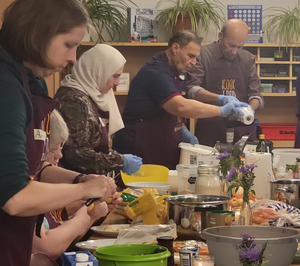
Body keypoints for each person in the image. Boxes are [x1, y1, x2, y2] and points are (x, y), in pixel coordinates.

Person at [0, 0, 117, 266]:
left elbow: (34, 169)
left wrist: (80, 181)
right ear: (39, 32)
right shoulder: (5, 88)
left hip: (14, 248)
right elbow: (15, 196)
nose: (72, 58)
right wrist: (89, 190)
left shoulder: (30, 80)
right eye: (69, 44)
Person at [113, 31, 247, 169]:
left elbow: (170, 109)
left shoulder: (177, 71)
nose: (194, 62)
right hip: (140, 147)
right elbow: (180, 107)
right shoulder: (156, 72)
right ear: (175, 48)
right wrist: (221, 110)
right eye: (191, 56)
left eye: (196, 58)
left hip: (161, 145)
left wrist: (182, 129)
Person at [55, 44, 142, 176]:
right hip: (75, 184)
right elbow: (75, 155)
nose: (118, 82)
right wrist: (119, 161)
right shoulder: (73, 100)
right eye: (115, 76)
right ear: (97, 71)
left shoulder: (91, 94)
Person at [33, 110, 108, 261]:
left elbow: (62, 230)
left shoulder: (37, 178)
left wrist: (91, 211)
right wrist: (86, 215)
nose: (59, 156)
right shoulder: (24, 189)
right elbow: (46, 247)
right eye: (53, 150)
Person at [186, 19, 263, 146]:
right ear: (220, 36)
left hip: (242, 128)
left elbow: (256, 94)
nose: (234, 51)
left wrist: (249, 109)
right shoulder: (203, 55)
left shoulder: (247, 58)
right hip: (210, 127)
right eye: (231, 45)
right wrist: (220, 99)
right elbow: (192, 89)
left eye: (240, 47)